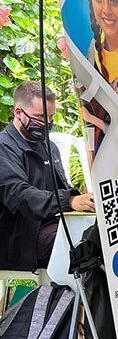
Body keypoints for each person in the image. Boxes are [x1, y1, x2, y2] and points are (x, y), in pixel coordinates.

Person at [0, 82, 95, 272]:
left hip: (54, 225)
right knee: (83, 248)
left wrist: (85, 202)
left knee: (99, 235)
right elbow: (20, 196)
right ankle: (73, 300)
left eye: (50, 117)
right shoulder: (4, 148)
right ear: (18, 112)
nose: (46, 124)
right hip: (20, 239)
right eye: (39, 117)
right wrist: (68, 200)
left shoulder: (49, 147)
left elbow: (64, 187)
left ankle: (86, 300)